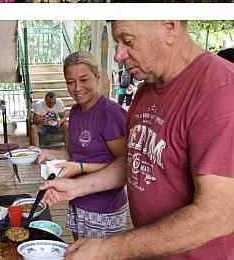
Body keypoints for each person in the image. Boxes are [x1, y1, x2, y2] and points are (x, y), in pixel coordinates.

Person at [40, 21, 234, 260]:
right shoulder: (146, 90)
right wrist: (76, 187)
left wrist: (109, 249)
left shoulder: (221, 89)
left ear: (169, 26)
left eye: (128, 41)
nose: (119, 55)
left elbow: (218, 215)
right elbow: (132, 161)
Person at [35, 52, 129, 240]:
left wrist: (79, 167)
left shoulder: (109, 113)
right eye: (70, 82)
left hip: (104, 208)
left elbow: (126, 165)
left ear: (97, 77)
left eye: (84, 79)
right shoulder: (75, 111)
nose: (77, 88)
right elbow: (76, 154)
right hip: (77, 199)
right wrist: (48, 153)